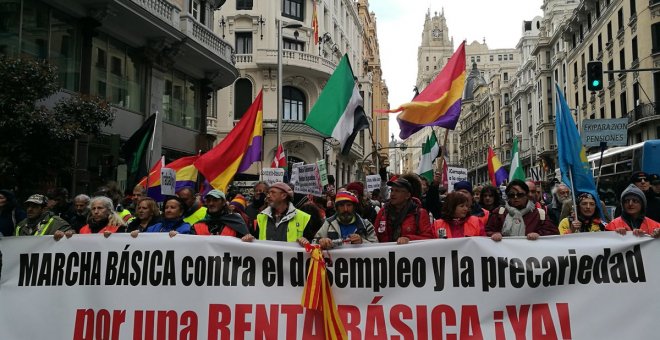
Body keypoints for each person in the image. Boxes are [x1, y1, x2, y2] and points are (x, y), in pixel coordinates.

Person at [486, 179, 559, 241]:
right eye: (511, 195)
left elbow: (553, 233)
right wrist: (494, 234)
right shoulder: (499, 213)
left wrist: (538, 234)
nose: (515, 197)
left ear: (526, 195)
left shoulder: (539, 214)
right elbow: (486, 231)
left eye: (520, 194)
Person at [242, 182, 311, 244]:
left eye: (273, 192)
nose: (268, 196)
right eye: (268, 193)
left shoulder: (304, 218)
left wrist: (306, 241)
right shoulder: (261, 217)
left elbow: (313, 245)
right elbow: (256, 240)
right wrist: (249, 238)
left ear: (284, 196)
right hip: (267, 257)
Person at [373, 177, 434, 244]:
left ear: (407, 195)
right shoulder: (383, 212)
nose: (392, 194)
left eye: (397, 191)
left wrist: (409, 239)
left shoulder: (419, 213)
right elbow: (375, 236)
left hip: (410, 253)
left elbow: (429, 238)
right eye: (392, 190)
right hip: (386, 253)